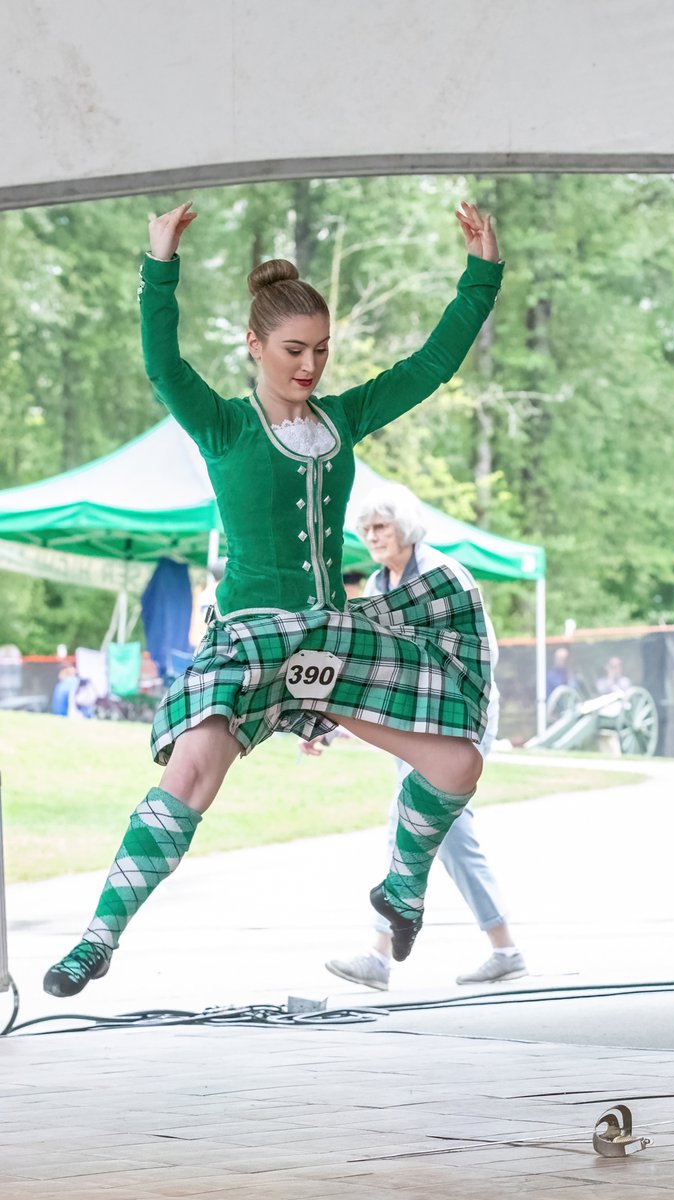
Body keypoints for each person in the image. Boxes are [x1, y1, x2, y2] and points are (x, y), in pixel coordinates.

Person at [42, 197, 504, 998]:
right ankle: (96, 938)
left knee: (459, 760)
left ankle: (400, 891)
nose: (310, 366)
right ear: (254, 344)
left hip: (328, 635)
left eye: (322, 351)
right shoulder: (222, 425)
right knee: (191, 773)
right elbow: (161, 364)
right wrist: (161, 265)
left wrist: (481, 274)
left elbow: (431, 366)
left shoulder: (343, 418)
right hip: (255, 636)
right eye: (294, 349)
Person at [307, 483, 527, 989]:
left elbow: (481, 650)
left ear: (404, 526)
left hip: (461, 710)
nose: (371, 537)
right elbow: (369, 659)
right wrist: (324, 721)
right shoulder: (380, 586)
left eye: (379, 527)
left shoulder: (442, 575)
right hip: (418, 715)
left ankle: (381, 955)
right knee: (444, 829)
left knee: (413, 817)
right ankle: (503, 947)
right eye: (365, 530)